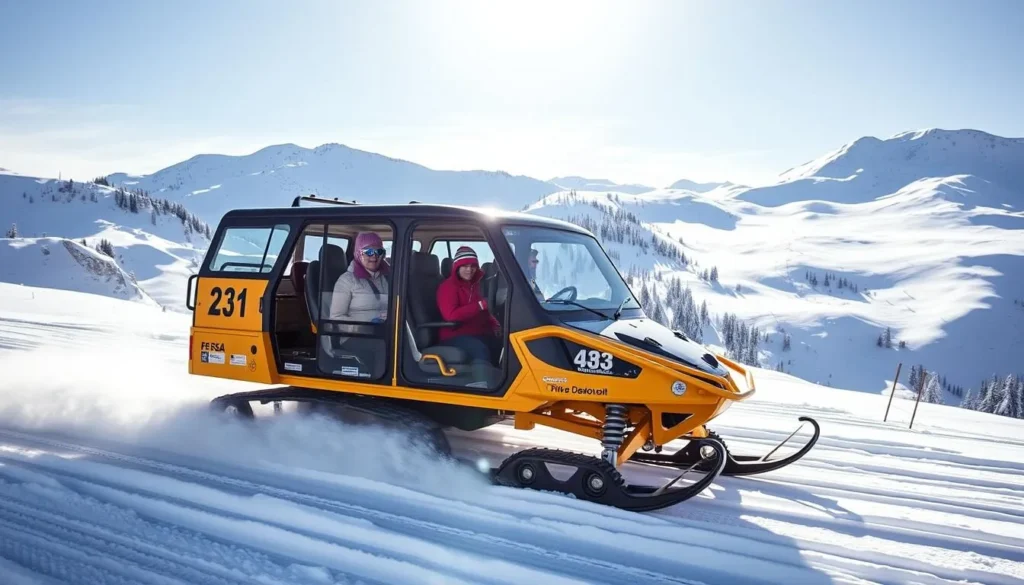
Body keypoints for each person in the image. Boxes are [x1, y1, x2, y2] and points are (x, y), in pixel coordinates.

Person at [436, 245, 501, 364]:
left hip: (477, 332)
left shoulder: (475, 285)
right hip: (454, 335)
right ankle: (482, 376)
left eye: (473, 266)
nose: (469, 270)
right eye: (465, 266)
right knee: (480, 350)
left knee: (503, 344)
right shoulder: (447, 287)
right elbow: (451, 316)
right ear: (457, 267)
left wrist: (495, 324)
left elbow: (485, 310)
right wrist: (479, 305)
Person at [328, 231, 390, 351]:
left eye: (379, 251)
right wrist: (364, 327)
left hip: (383, 332)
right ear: (358, 253)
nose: (374, 256)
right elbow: (336, 318)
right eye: (369, 252)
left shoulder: (386, 278)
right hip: (355, 337)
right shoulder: (346, 280)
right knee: (385, 349)